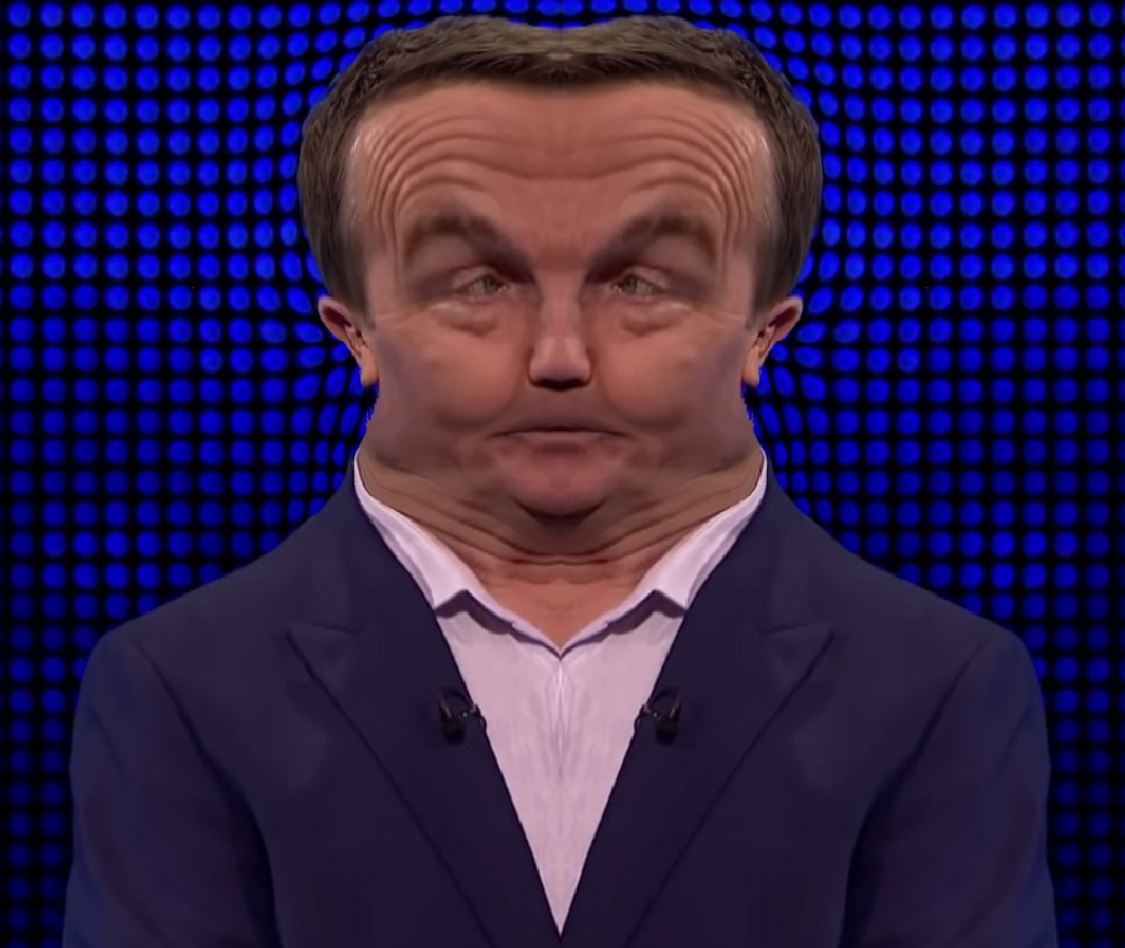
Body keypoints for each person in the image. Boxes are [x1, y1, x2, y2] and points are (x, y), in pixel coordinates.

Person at [62, 15, 1057, 947]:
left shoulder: (940, 688)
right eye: (480, 283)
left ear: (767, 329)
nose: (559, 357)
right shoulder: (178, 688)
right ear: (352, 329)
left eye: (638, 283)